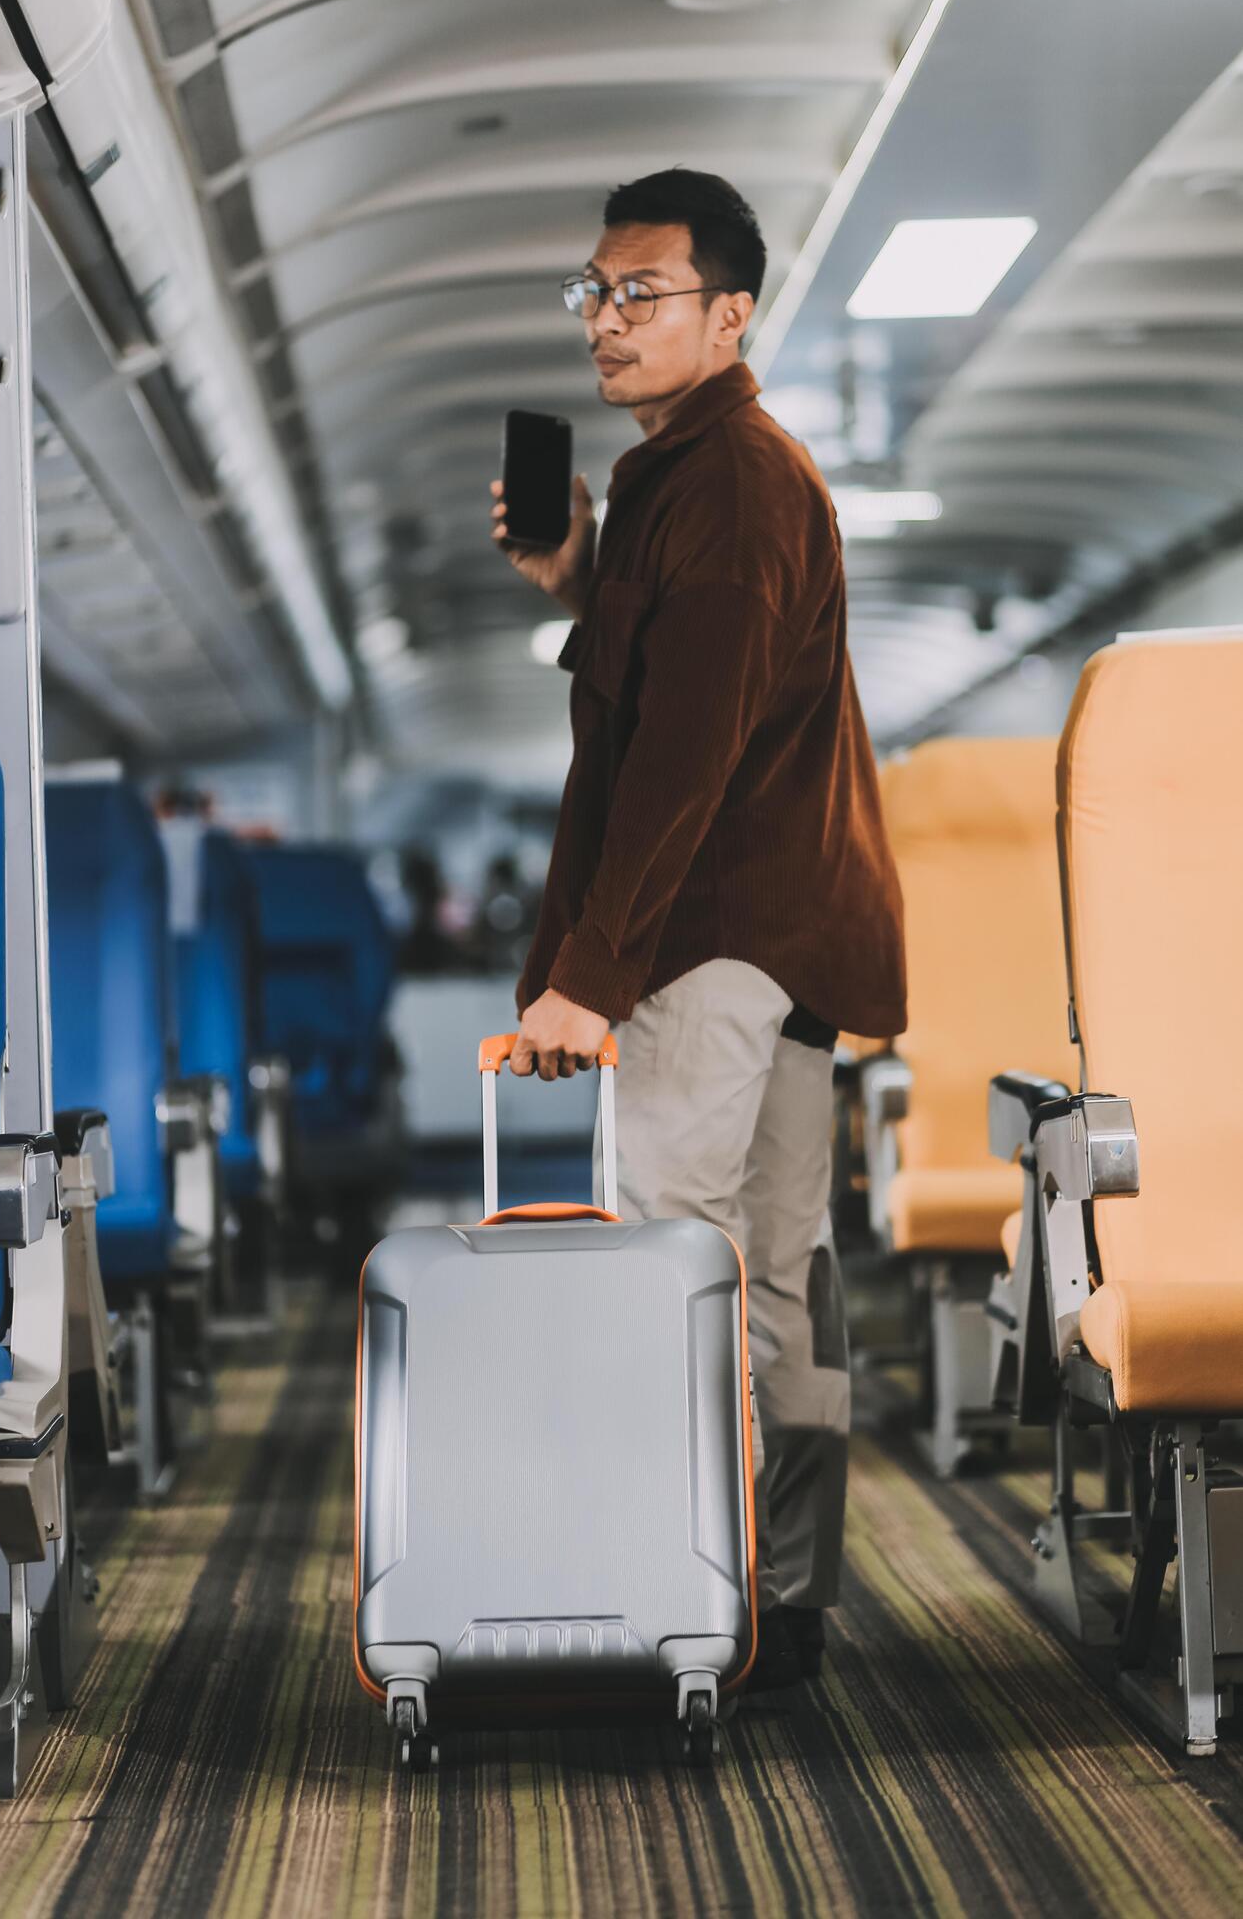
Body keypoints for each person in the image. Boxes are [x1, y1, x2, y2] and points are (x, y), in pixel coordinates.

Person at [490, 168, 905, 1689]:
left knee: (676, 1250)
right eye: (593, 291)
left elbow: (684, 755)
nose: (605, 319)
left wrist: (588, 982)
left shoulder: (727, 483)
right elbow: (685, 684)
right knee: (777, 1268)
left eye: (639, 294)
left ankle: (686, 1596)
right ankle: (779, 1606)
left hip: (714, 939)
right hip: (786, 930)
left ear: (730, 317)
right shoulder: (701, 478)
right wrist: (582, 579)